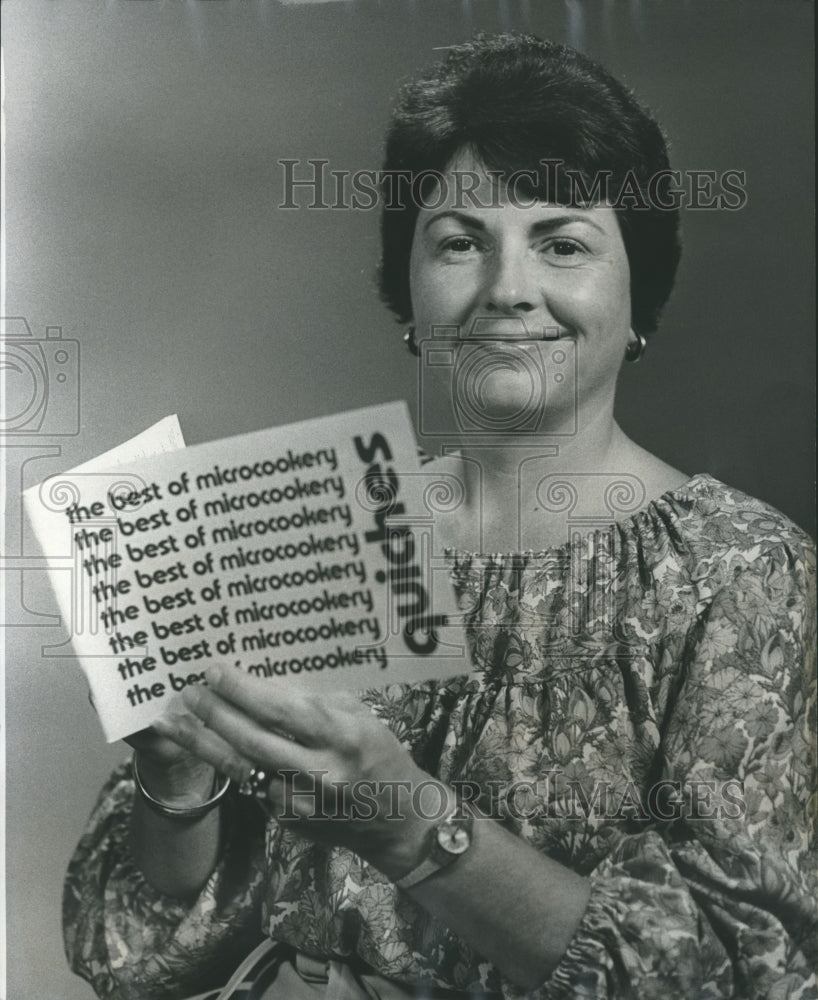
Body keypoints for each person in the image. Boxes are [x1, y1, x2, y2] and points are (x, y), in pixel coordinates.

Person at [63, 33, 817, 999]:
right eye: (460, 241)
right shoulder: (319, 527)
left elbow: (738, 973)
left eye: (564, 243)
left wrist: (406, 819)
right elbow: (134, 953)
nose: (508, 289)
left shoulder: (744, 572)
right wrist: (175, 772)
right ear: (411, 293)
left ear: (639, 294)